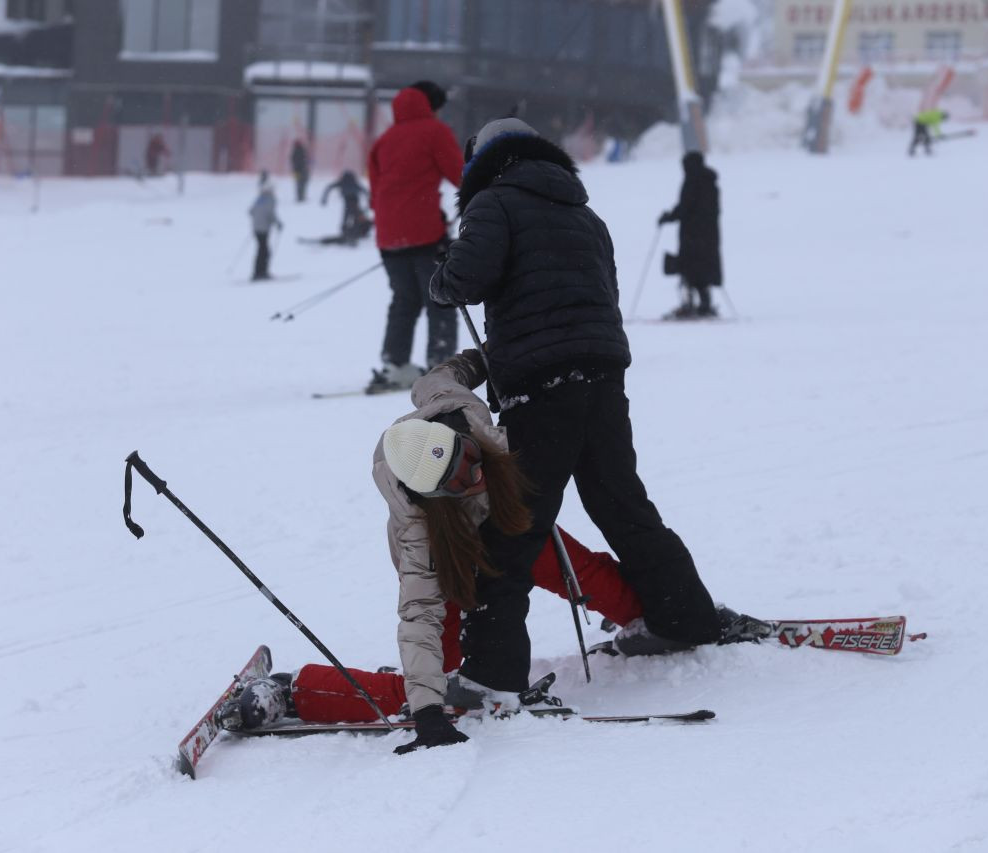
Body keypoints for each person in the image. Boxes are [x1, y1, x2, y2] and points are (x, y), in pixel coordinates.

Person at [428, 118, 769, 717]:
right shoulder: (586, 216)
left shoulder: (493, 203)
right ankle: (683, 616)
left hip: (540, 386)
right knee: (621, 503)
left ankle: (490, 675)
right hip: (603, 379)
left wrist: (444, 270)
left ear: (481, 161)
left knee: (512, 526)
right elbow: (599, 297)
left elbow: (466, 279)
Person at [218, 350, 681, 753]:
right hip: (454, 558)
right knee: (443, 690)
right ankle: (298, 691)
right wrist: (427, 712)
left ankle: (649, 617)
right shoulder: (418, 525)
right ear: (433, 496)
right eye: (459, 485)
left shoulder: (460, 409)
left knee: (571, 564)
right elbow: (419, 613)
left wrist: (488, 359)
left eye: (471, 462)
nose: (475, 478)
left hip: (507, 525)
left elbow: (442, 375)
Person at [365, 80, 464, 393]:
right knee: (440, 298)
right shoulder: (434, 131)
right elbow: (460, 175)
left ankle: (395, 364)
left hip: (388, 238)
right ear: (432, 105)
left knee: (404, 300)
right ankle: (442, 364)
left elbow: (375, 191)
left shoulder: (383, 141)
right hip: (425, 233)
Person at [658, 151, 722, 319]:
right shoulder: (711, 183)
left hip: (692, 236)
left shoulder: (692, 182)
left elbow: (685, 207)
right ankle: (704, 304)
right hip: (709, 235)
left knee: (689, 269)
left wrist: (668, 217)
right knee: (703, 270)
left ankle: (689, 304)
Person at [320, 169, 370, 244]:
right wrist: (370, 201)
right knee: (355, 218)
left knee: (346, 217)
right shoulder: (354, 183)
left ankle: (346, 234)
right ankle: (353, 234)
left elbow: (329, 187)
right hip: (354, 203)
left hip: (347, 203)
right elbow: (365, 191)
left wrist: (324, 199)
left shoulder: (342, 182)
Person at [248, 174, 283, 281]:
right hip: (263, 229)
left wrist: (257, 220)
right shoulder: (270, 199)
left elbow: (251, 211)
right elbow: (270, 213)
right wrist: (278, 223)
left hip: (256, 228)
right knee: (264, 251)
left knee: (261, 250)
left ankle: (258, 272)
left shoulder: (259, 198)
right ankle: (261, 272)